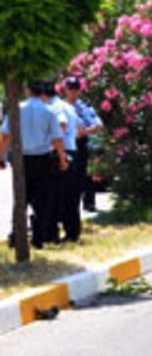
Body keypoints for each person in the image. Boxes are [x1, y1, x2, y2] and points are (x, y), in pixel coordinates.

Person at [0, 82, 68, 249]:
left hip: (20, 158)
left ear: (28, 90)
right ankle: (38, 238)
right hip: (43, 159)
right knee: (42, 201)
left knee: (21, 199)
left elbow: (5, 136)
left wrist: (0, 156)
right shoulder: (49, 111)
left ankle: (16, 236)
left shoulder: (17, 109)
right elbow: (57, 139)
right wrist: (62, 159)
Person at [43, 80, 82, 243]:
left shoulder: (54, 107)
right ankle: (72, 232)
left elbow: (62, 124)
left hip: (61, 152)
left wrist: (51, 139)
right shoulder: (67, 106)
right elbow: (79, 128)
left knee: (57, 196)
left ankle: (54, 234)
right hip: (72, 149)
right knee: (70, 196)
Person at [63, 77, 103, 213]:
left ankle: (89, 203)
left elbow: (98, 125)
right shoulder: (60, 107)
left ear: (79, 91)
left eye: (75, 89)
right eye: (70, 89)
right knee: (66, 176)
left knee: (84, 174)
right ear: (65, 90)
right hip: (64, 145)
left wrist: (84, 131)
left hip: (80, 143)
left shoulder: (84, 108)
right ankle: (67, 206)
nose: (73, 92)